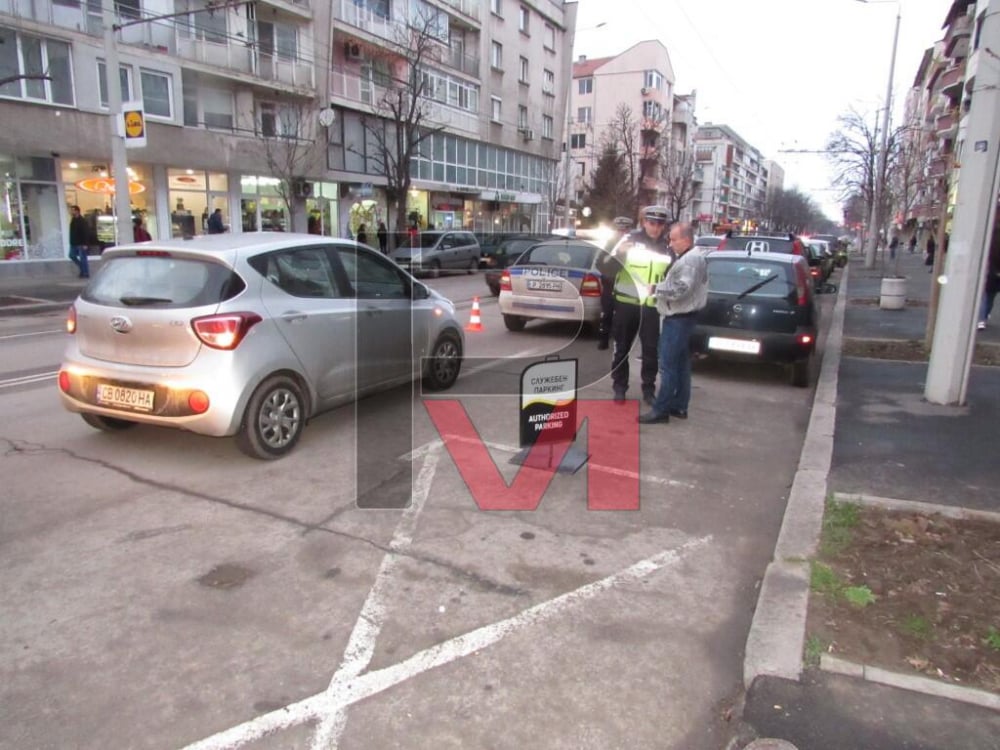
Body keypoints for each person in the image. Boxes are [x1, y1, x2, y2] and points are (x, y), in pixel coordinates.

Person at [600, 205, 674, 405]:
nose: (656, 227)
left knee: (650, 351)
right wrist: (620, 255)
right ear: (644, 222)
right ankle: (620, 387)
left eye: (660, 224)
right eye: (652, 223)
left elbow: (672, 276)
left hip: (651, 306)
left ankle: (648, 389)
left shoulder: (668, 246)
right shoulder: (628, 240)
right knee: (622, 348)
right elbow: (603, 267)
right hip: (626, 303)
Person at [638, 222, 709, 424]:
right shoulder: (692, 257)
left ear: (686, 240)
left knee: (668, 365)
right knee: (681, 364)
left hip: (679, 318)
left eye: (674, 239)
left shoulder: (689, 261)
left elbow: (680, 289)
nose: (670, 243)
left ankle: (661, 410)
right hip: (684, 317)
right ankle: (679, 406)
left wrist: (655, 289)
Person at [596, 216, 635, 350]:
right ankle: (604, 339)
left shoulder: (634, 245)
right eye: (619, 230)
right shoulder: (609, 245)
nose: (621, 233)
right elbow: (600, 263)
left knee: (622, 319)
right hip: (609, 284)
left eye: (624, 231)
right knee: (606, 314)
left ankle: (619, 339)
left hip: (625, 288)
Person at [977, 222, 1000, 331]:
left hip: (992, 272)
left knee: (988, 297)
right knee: (989, 297)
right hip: (993, 271)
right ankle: (983, 317)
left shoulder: (990, 240)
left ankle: (982, 319)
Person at [68, 205, 90, 278]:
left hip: (81, 243)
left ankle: (85, 273)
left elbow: (86, 232)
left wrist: (85, 244)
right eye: (71, 210)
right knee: (72, 255)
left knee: (83, 258)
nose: (71, 211)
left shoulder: (82, 221)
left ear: (77, 211)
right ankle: (82, 268)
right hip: (73, 243)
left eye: (72, 210)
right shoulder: (73, 220)